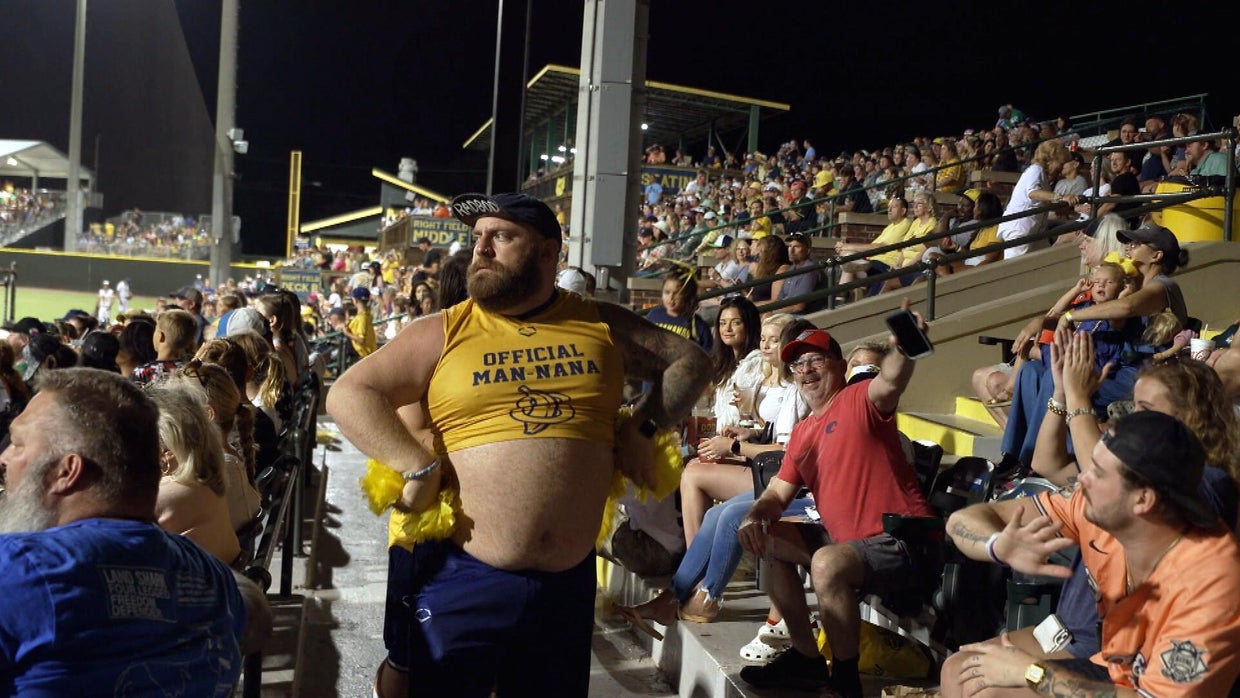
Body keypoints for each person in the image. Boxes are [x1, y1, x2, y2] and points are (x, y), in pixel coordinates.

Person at [326, 192, 711, 697]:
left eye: (501, 236)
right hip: (463, 576)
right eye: (477, 237)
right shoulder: (442, 330)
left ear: (549, 253)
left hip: (565, 586)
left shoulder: (599, 323)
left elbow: (692, 362)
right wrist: (416, 466)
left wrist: (643, 429)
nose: (481, 250)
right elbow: (349, 393)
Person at [0, 368, 269, 693]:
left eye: (17, 444)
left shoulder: (17, 569)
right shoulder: (209, 577)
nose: (4, 457)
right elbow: (257, 620)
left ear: (67, 471)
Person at [940, 410, 1240, 697]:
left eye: (1097, 472)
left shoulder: (1213, 582)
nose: (1082, 479)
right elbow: (960, 522)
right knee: (964, 673)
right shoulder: (1096, 507)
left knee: (992, 690)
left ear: (1143, 499)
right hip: (1116, 667)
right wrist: (997, 545)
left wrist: (1032, 673)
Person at [735, 319, 940, 698]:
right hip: (850, 546)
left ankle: (844, 681)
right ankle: (806, 658)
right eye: (798, 365)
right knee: (763, 536)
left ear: (840, 365)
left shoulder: (860, 397)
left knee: (827, 562)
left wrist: (905, 345)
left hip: (901, 540)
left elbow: (892, 380)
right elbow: (777, 494)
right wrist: (755, 515)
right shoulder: (803, 431)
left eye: (815, 360)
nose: (806, 371)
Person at [997, 140, 1076, 259]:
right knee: (1015, 270)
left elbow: (1048, 204)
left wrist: (1073, 211)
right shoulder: (1036, 169)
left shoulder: (1043, 176)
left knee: (1045, 261)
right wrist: (1062, 197)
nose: (1061, 169)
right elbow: (1033, 193)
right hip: (1019, 231)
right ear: (1050, 160)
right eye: (1060, 163)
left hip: (1035, 232)